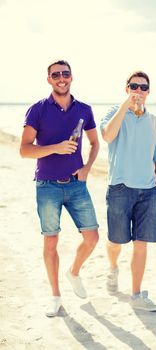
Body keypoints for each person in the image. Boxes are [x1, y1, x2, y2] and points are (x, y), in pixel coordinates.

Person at [20, 59, 99, 317]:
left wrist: (87, 167)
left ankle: (73, 271)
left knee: (92, 238)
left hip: (77, 185)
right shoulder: (37, 110)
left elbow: (95, 143)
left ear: (72, 77)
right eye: (56, 75)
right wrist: (55, 147)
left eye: (65, 73)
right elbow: (24, 149)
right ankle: (55, 295)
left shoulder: (84, 110)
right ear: (49, 79)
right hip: (47, 186)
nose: (61, 78)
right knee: (51, 241)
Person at [100, 71, 156, 312]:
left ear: (149, 91)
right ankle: (112, 267)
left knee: (141, 244)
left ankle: (136, 294)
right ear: (126, 88)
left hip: (148, 192)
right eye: (133, 86)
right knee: (116, 241)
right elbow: (107, 136)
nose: (138, 90)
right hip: (120, 188)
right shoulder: (113, 113)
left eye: (143, 87)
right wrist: (126, 105)